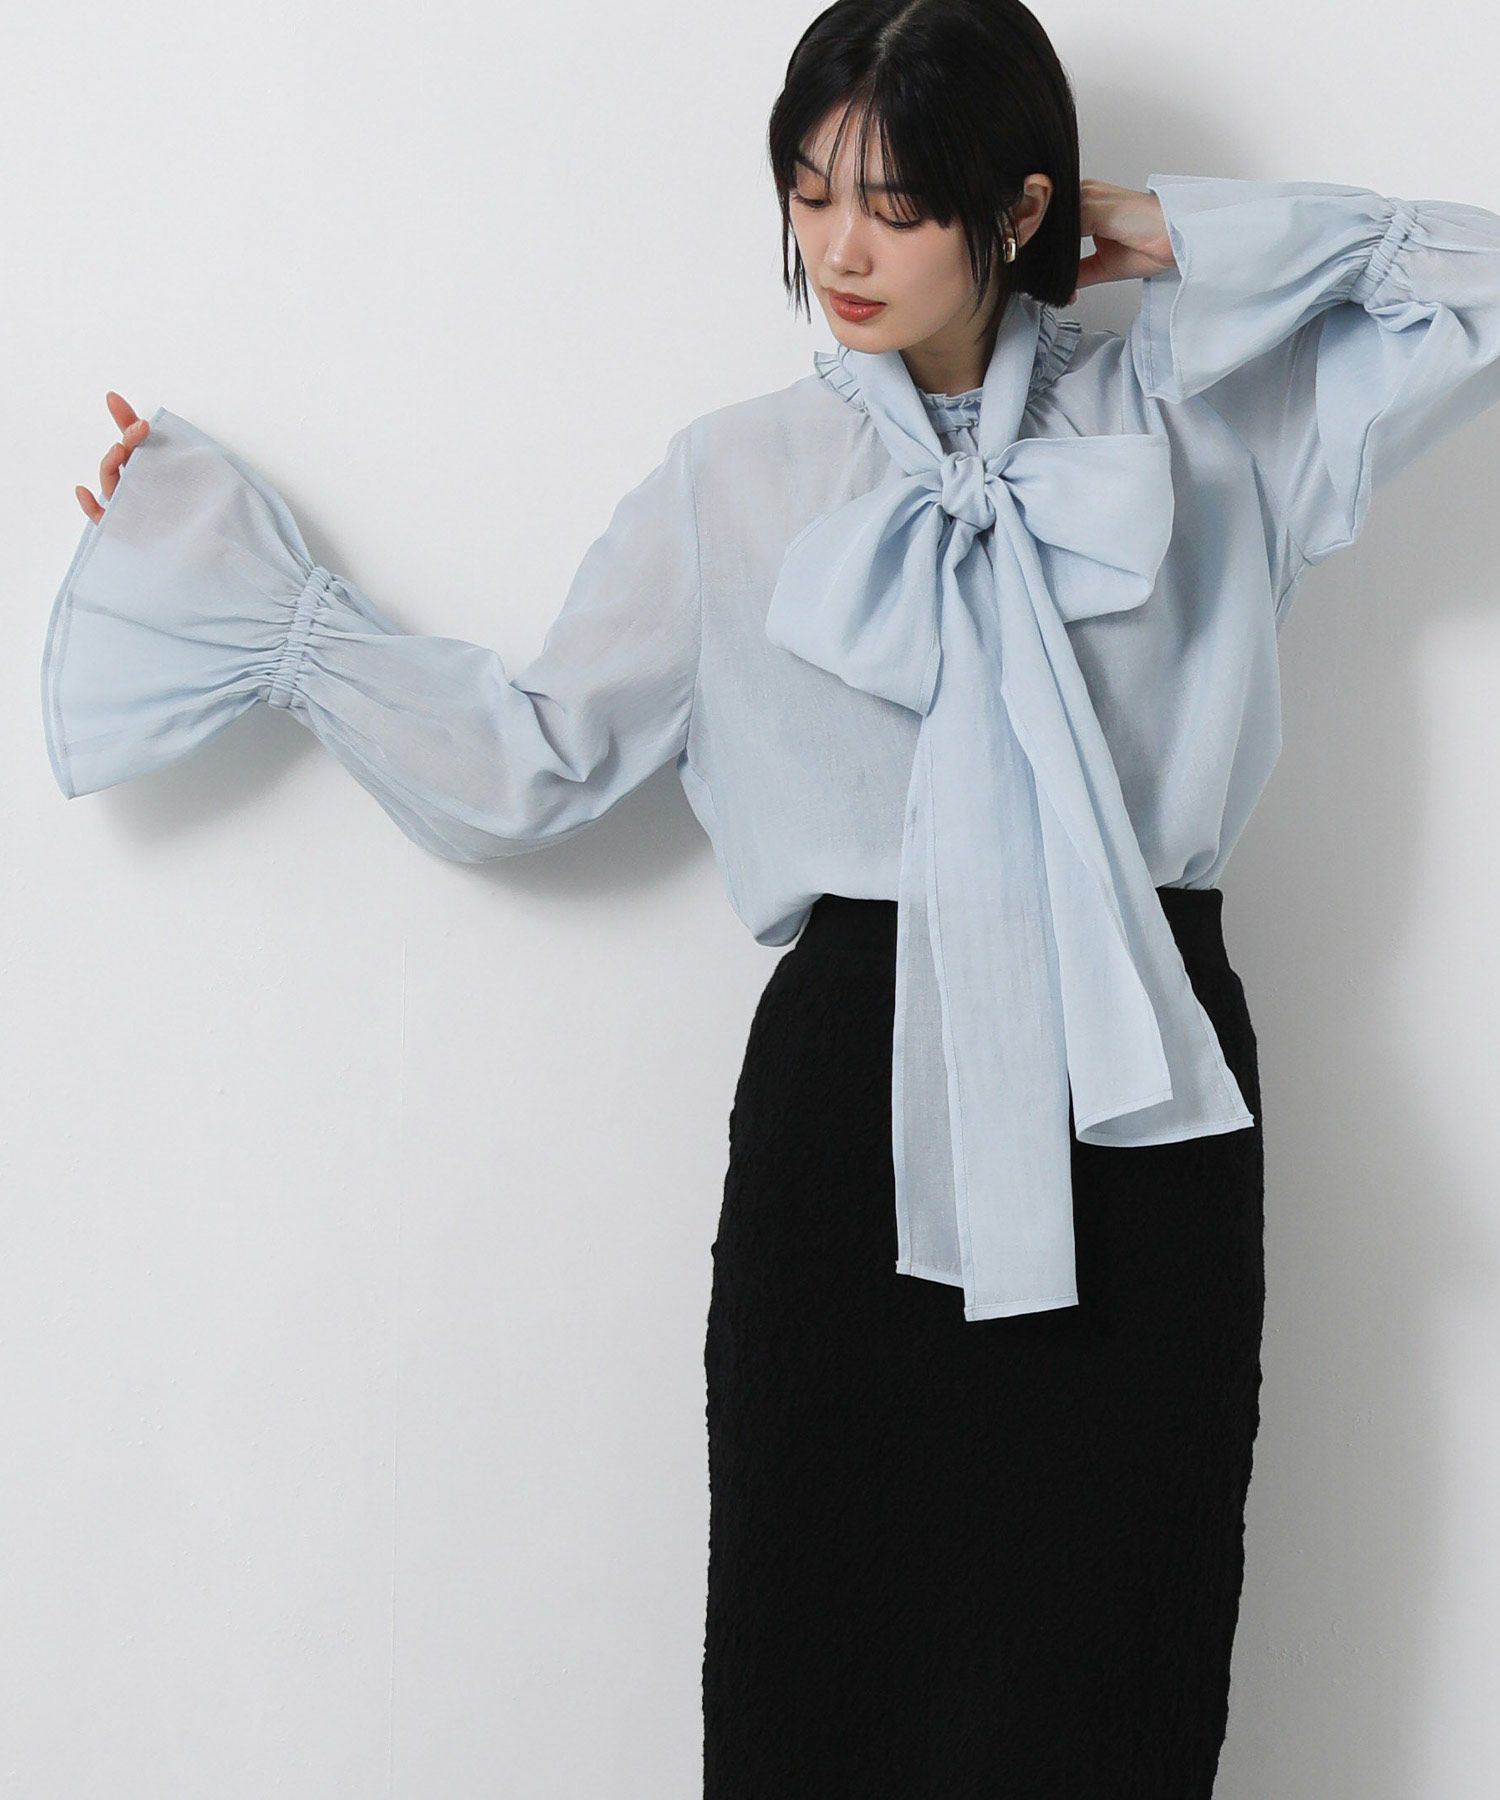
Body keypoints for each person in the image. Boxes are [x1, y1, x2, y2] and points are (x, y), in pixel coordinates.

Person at [45, 1, 1500, 1794]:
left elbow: (1479, 289)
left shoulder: (1206, 421)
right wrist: (252, 601)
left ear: (1014, 206)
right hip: (849, 1123)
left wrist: (1164, 231)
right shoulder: (732, 478)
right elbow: (531, 763)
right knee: (822, 1685)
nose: (839, 250)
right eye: (809, 195)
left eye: (898, 201)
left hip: (1145, 1103)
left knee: (1117, 1681)